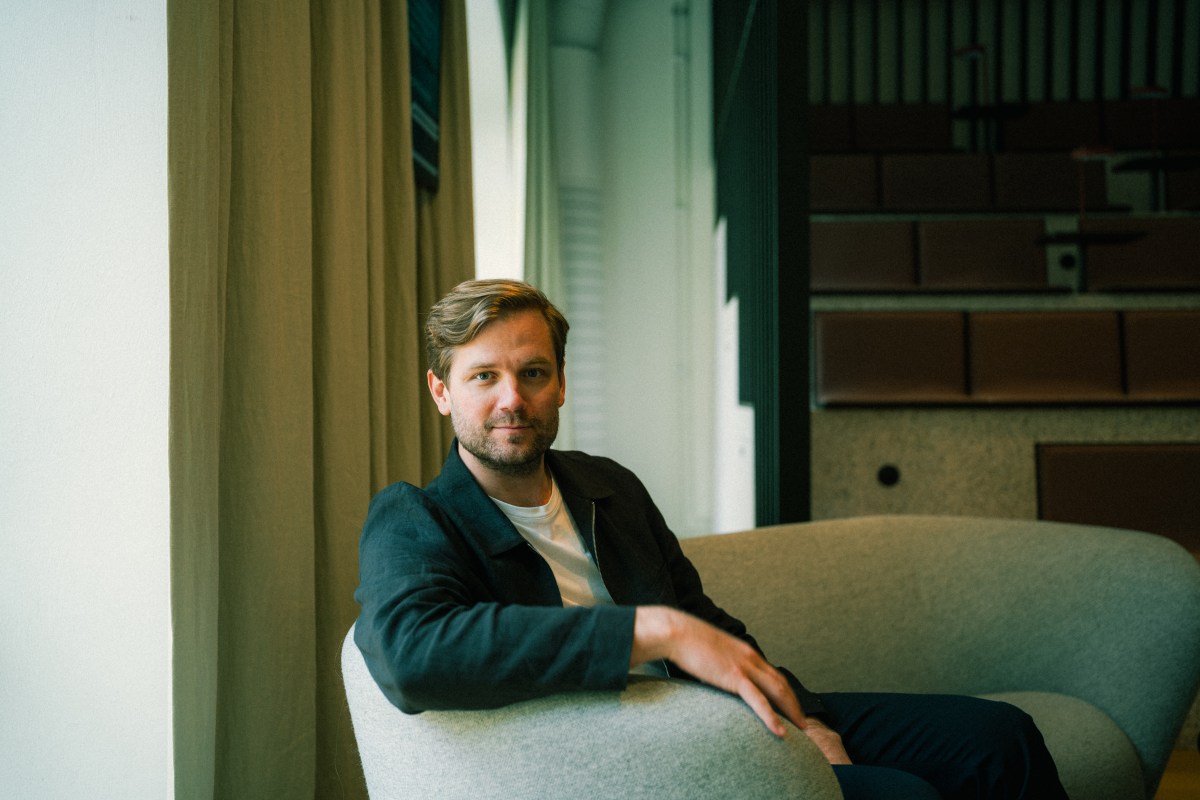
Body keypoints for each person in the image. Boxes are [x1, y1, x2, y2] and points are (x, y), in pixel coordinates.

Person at [354, 279, 1067, 799]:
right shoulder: (414, 517)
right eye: (484, 376)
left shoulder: (608, 485)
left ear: (561, 384)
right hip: (633, 756)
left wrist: (805, 715)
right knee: (903, 794)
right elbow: (413, 656)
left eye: (532, 373)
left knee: (1001, 738)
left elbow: (706, 624)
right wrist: (650, 632)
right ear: (442, 392)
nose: (512, 398)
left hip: (722, 710)